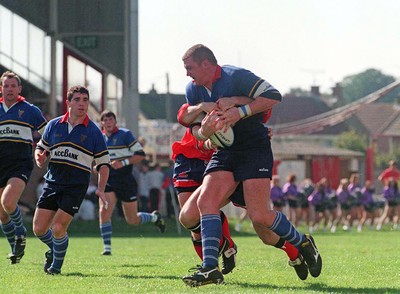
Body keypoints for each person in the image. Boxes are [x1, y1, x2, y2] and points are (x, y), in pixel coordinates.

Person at [179, 44, 322, 286]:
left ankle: (302, 243)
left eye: (189, 67)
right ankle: (210, 268)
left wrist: (240, 110)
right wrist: (204, 131)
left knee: (260, 217)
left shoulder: (236, 76)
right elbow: (197, 132)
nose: (187, 74)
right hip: (225, 152)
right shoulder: (193, 90)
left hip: (254, 149)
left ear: (206, 64)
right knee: (203, 205)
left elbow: (274, 96)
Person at [33, 85, 110, 275]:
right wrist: (40, 158)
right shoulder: (53, 125)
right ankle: (57, 248)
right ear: (68, 103)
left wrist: (100, 188)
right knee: (39, 229)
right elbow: (40, 148)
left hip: (76, 186)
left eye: (85, 100)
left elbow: (104, 164)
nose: (82, 104)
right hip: (52, 182)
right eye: (77, 100)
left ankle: (55, 268)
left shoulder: (94, 132)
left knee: (58, 227)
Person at [98, 110, 165, 256]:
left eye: (111, 120)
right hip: (108, 179)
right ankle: (107, 248)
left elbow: (140, 154)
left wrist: (123, 162)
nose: (108, 122)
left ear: (115, 122)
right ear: (101, 123)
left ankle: (155, 218)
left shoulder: (125, 134)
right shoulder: (99, 138)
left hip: (125, 179)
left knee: (132, 220)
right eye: (105, 120)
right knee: (104, 211)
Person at [0, 71, 47, 264]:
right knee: (2, 215)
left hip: (20, 164)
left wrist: (43, 151)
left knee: (9, 202)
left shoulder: (30, 110)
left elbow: (48, 134)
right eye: (6, 86)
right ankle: (16, 251)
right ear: (1, 89)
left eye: (13, 86)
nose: (9, 89)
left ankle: (21, 232)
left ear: (19, 88)